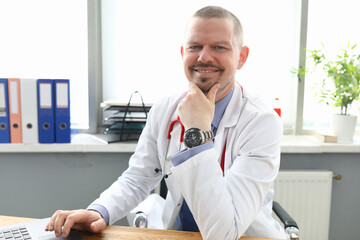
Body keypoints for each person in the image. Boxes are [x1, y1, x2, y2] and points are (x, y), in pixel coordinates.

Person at [45, 6, 286, 240]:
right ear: (183, 52)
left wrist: (198, 131)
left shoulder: (261, 122)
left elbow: (223, 234)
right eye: (195, 46)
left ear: (241, 57)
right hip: (178, 234)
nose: (204, 56)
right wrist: (99, 211)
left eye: (219, 47)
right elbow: (138, 178)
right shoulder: (165, 108)